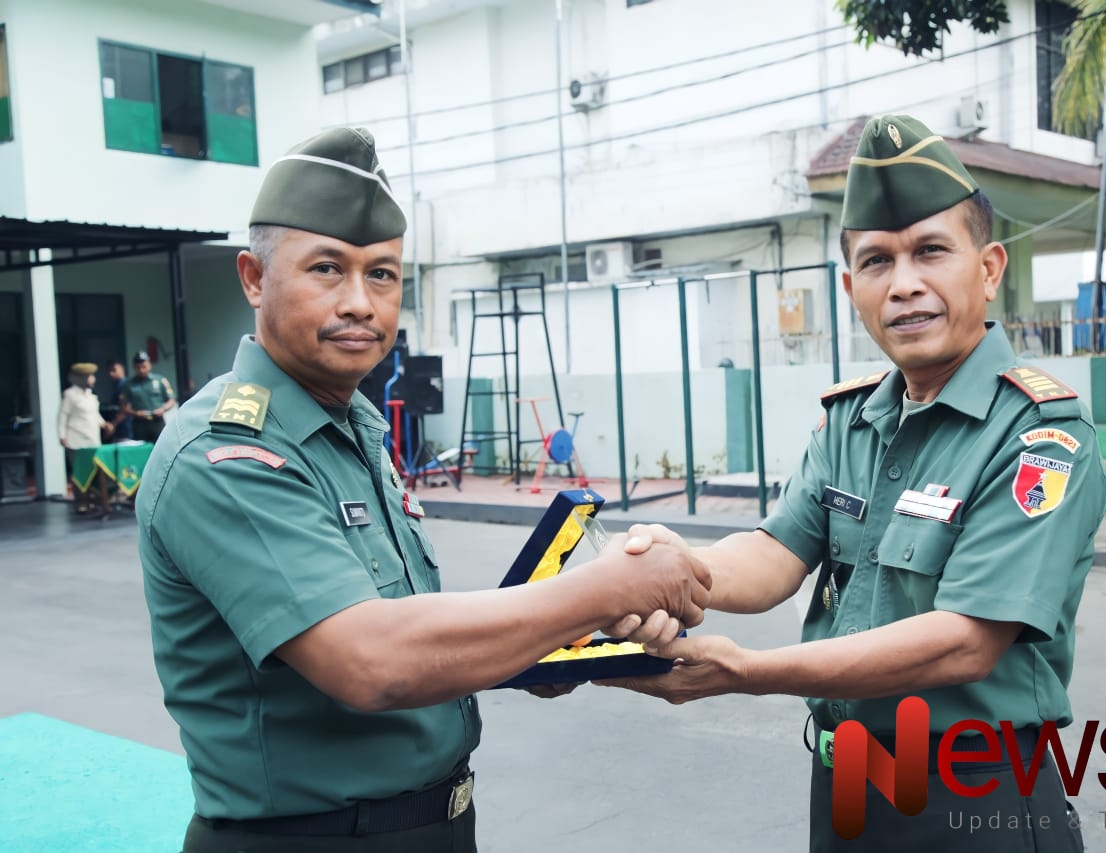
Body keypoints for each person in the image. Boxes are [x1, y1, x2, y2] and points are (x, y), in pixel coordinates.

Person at [136, 126, 709, 853]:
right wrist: (606, 590)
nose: (360, 302)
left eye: (381, 274)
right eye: (326, 269)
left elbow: (419, 637)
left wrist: (550, 646)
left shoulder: (354, 429)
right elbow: (373, 662)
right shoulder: (225, 452)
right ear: (253, 277)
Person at [606, 116, 1106, 852]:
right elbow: (775, 554)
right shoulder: (853, 419)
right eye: (877, 261)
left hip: (972, 798)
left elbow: (964, 642)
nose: (905, 284)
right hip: (845, 788)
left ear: (990, 267)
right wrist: (666, 566)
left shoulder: (1041, 436)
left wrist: (748, 670)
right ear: (851, 285)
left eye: (931, 251)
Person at [57, 362, 112, 514]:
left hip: (92, 439)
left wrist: (104, 424)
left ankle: (95, 499)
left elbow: (95, 415)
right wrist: (61, 436)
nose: (93, 379)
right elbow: (62, 416)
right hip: (76, 440)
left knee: (93, 471)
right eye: (90, 376)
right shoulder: (70, 395)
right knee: (79, 472)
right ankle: (81, 501)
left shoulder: (90, 395)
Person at [118, 350, 175, 443]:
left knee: (161, 447)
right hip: (139, 424)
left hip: (157, 422)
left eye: (144, 367)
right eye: (138, 367)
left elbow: (171, 400)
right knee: (141, 451)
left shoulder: (160, 380)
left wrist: (163, 409)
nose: (141, 370)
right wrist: (136, 413)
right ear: (134, 367)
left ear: (149, 365)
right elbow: (123, 407)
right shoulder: (128, 384)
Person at [102, 360, 132, 441]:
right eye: (109, 371)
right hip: (119, 429)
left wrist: (113, 425)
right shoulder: (117, 386)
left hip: (125, 427)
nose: (111, 374)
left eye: (114, 370)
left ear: (122, 370)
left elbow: (125, 408)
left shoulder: (124, 385)